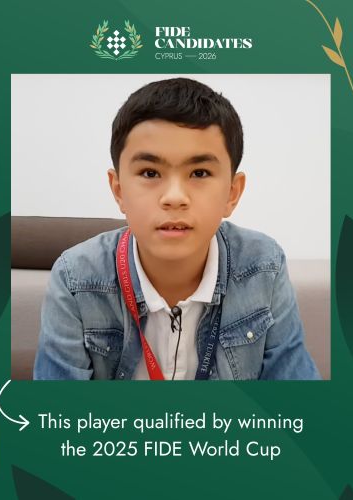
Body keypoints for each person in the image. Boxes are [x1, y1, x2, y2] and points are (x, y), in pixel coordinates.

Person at [34, 77, 320, 380]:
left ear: (232, 193)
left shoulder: (264, 267)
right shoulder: (75, 278)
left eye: (199, 173)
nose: (174, 197)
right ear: (118, 190)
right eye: (150, 172)